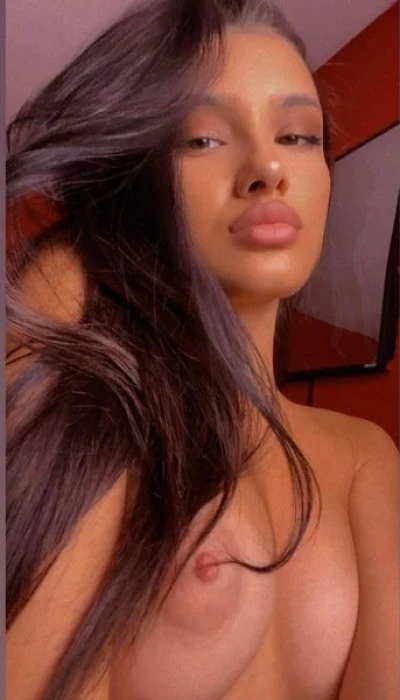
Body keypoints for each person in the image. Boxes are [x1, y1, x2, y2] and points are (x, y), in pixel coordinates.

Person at [6, 1, 399, 698]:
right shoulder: (101, 408)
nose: (267, 167)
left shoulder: (366, 456)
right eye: (202, 139)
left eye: (298, 136)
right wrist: (65, 269)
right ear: (137, 181)